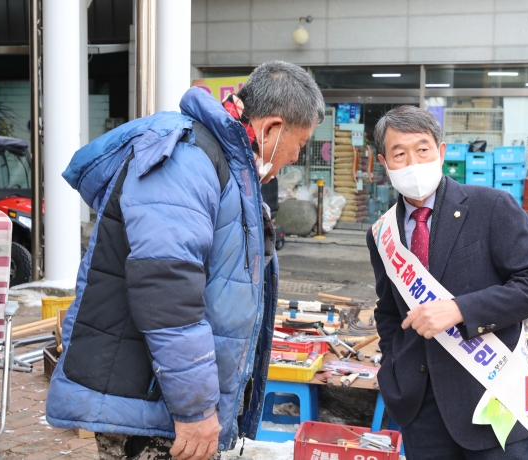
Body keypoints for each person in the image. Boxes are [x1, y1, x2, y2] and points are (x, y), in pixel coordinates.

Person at [46, 61, 324, 460]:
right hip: (151, 402)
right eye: (300, 142)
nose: (296, 157)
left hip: (165, 396)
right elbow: (166, 289)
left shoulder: (229, 164)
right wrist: (194, 408)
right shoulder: (188, 158)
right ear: (273, 129)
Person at [366, 106, 528, 460]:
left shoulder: (492, 206)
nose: (412, 161)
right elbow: (388, 309)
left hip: (494, 395)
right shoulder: (381, 233)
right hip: (419, 406)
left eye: (422, 149)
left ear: (441, 151)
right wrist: (393, 367)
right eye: (399, 153)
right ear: (384, 161)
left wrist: (459, 309)